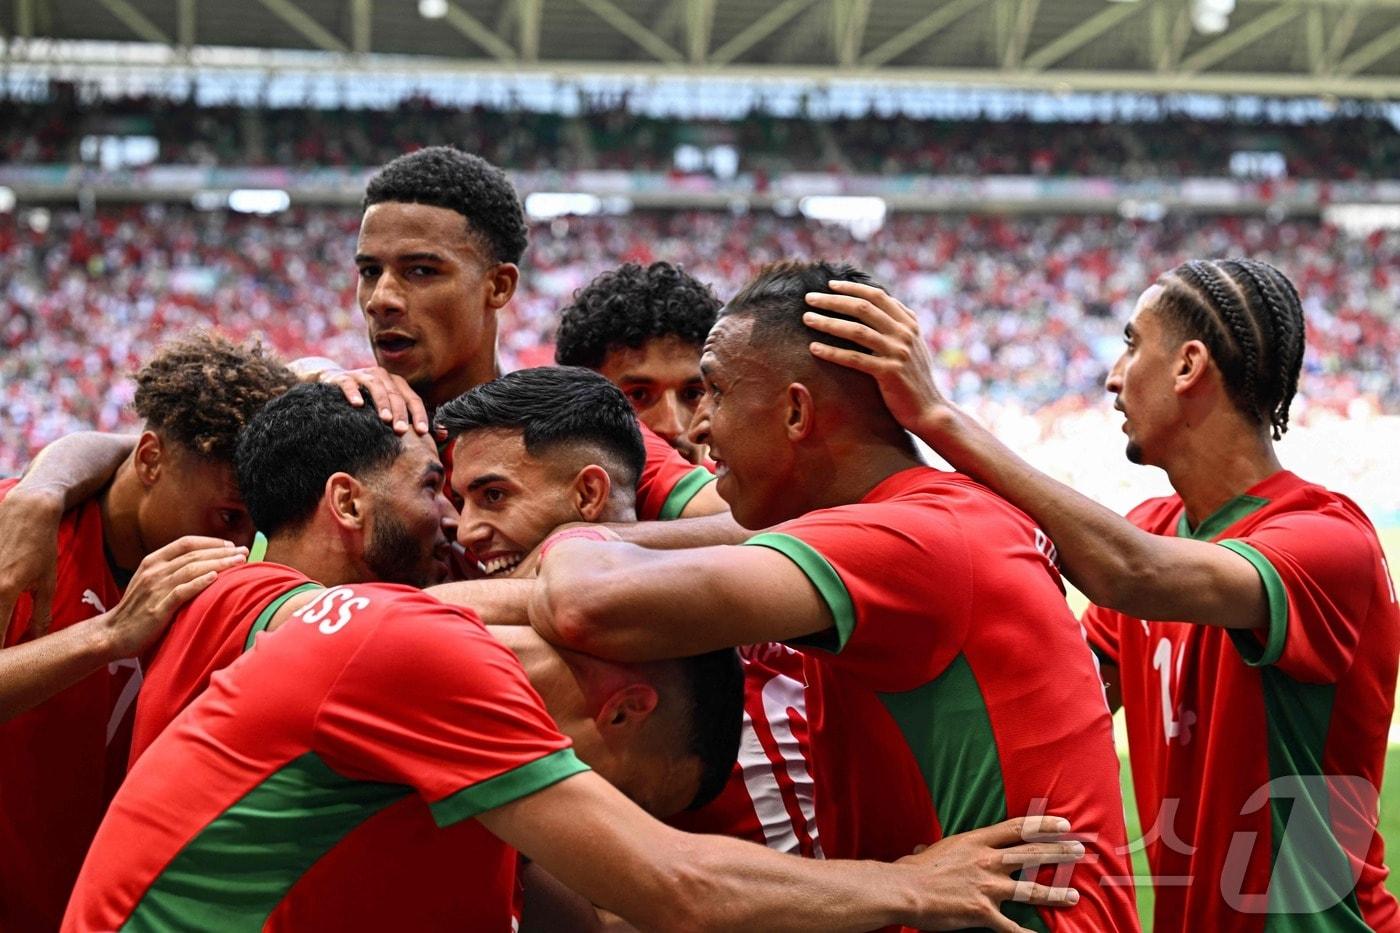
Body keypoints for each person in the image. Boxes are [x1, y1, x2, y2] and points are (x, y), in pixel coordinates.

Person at [527, 261, 1141, 931]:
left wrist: (574, 533)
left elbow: (589, 602)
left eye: (717, 392)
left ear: (795, 410)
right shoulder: (919, 517)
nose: (699, 426)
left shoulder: (910, 538)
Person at [797, 261, 1399, 931]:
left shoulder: (1327, 539)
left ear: (1188, 365)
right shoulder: (1152, 525)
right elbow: (1053, 700)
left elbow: (1131, 572)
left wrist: (938, 418)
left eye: (1133, 344)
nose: (1113, 376)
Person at [440, 365, 819, 856]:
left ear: (588, 493)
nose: (467, 531)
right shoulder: (514, 607)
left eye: (494, 496)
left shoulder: (737, 596)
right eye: (460, 501)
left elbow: (814, 522)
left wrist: (577, 546)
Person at [0, 333, 296, 933]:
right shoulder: (22, 532)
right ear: (151, 460)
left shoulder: (216, 582)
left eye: (250, 527)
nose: (237, 544)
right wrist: (109, 634)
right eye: (228, 517)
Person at [128, 382, 457, 761]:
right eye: (431, 487)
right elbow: (388, 622)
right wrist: (539, 580)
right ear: (348, 503)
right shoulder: (235, 593)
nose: (454, 520)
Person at [555, 260, 719, 464]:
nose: (672, 426)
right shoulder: (535, 492)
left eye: (693, 394)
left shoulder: (743, 493)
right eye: (638, 395)